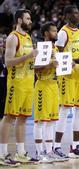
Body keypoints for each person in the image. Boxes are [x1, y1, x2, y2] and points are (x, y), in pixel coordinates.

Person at [0, 9, 38, 167]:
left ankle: (21, 153)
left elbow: (30, 61)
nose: (30, 21)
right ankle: (2, 155)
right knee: (9, 118)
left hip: (29, 83)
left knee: (23, 119)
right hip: (16, 84)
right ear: (19, 20)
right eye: (27, 19)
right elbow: (8, 62)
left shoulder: (28, 37)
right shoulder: (12, 37)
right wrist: (29, 56)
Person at [54, 5, 79, 158]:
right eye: (75, 13)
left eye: (78, 13)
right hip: (67, 77)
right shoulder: (63, 33)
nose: (78, 15)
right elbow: (57, 55)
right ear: (67, 15)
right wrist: (76, 59)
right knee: (64, 111)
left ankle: (75, 146)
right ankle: (56, 147)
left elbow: (78, 53)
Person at [33, 22, 67, 163]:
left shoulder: (56, 49)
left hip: (54, 86)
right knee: (40, 121)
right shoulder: (41, 47)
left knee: (51, 122)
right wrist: (49, 64)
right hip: (43, 85)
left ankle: (49, 151)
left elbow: (57, 67)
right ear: (46, 33)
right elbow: (35, 67)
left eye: (56, 30)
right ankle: (39, 152)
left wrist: (66, 65)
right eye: (53, 31)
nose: (56, 33)